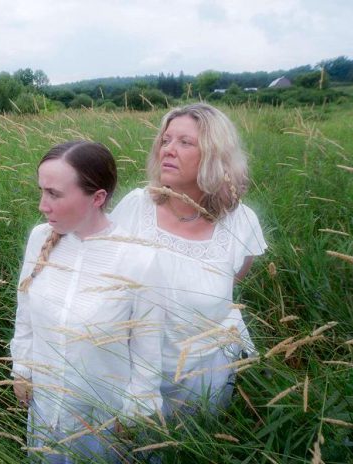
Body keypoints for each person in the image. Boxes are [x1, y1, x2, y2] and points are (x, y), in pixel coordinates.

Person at [10, 141, 164, 463]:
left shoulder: (138, 257)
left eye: (54, 194)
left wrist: (136, 412)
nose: (42, 205)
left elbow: (148, 349)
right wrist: (22, 368)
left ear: (97, 198)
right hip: (46, 404)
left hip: (104, 416)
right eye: (42, 191)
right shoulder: (40, 239)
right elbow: (25, 310)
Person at [110, 103, 267, 416]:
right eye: (165, 140)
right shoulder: (135, 207)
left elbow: (231, 283)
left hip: (203, 374)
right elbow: (108, 281)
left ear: (214, 155)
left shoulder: (241, 223)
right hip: (134, 369)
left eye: (185, 142)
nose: (168, 150)